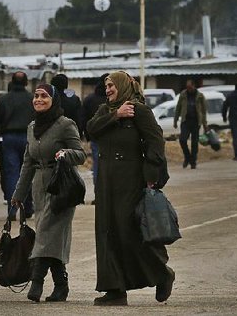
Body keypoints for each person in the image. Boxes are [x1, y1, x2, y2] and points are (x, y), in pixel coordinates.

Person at [86, 71, 174, 307]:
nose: (108, 90)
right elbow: (91, 130)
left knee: (129, 232)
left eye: (112, 85)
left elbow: (156, 142)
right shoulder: (105, 111)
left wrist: (151, 176)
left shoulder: (139, 110)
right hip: (106, 181)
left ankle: (162, 274)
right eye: (106, 86)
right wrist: (116, 115)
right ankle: (115, 290)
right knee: (107, 233)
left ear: (123, 86)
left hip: (131, 181)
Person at [11, 84, 86, 303]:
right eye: (36, 96)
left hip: (62, 187)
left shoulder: (65, 124)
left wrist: (66, 153)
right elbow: (28, 162)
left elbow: (81, 155)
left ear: (53, 99)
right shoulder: (32, 127)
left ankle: (37, 283)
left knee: (44, 233)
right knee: (50, 237)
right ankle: (61, 286)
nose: (39, 99)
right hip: (39, 187)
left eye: (44, 96)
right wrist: (18, 194)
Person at [0, 71, 35, 216]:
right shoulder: (33, 99)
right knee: (28, 172)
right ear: (26, 83)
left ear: (11, 82)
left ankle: (12, 210)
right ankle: (28, 208)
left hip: (8, 139)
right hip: (28, 138)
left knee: (11, 174)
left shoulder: (2, 100)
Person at [81, 74, 108, 202]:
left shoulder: (89, 99)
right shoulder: (114, 99)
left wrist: (87, 135)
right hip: (112, 139)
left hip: (95, 138)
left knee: (97, 166)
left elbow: (83, 119)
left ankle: (99, 195)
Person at [173, 79, 208, 169]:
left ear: (193, 86)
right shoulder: (183, 95)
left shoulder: (200, 96)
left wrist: (205, 124)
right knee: (182, 140)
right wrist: (175, 120)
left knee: (194, 143)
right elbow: (178, 108)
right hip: (185, 121)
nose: (188, 89)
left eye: (190, 87)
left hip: (196, 122)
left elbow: (203, 111)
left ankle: (193, 161)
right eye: (187, 87)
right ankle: (187, 157)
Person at [223, 84, 237, 161]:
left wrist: (224, 117)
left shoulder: (230, 95)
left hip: (233, 119)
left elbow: (225, 106)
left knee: (235, 138)